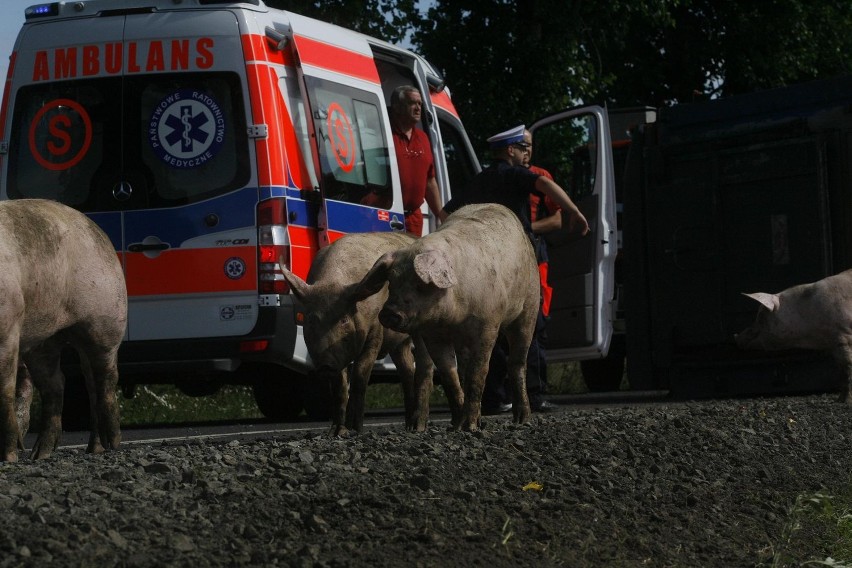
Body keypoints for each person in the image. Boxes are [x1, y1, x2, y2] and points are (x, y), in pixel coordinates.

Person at [442, 124, 589, 413]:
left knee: (490, 329)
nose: (527, 154)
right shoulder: (514, 175)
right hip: (517, 265)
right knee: (530, 327)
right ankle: (534, 396)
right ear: (511, 150)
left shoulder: (481, 179)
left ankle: (493, 398)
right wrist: (574, 211)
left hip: (488, 266)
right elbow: (544, 185)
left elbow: (447, 212)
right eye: (523, 148)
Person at [364, 85, 447, 236]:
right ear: (396, 106)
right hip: (383, 215)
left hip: (413, 219)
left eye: (420, 104)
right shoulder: (382, 134)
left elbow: (430, 181)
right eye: (412, 103)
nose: (417, 108)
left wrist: (440, 214)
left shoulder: (423, 138)